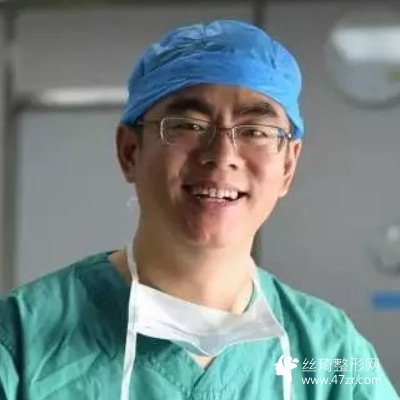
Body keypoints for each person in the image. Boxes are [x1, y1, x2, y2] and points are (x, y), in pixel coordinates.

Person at [0, 20, 398, 400]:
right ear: (130, 151)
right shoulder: (19, 341)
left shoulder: (331, 354)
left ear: (288, 167)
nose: (222, 155)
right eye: (189, 125)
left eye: (255, 131)